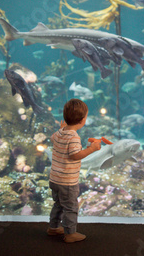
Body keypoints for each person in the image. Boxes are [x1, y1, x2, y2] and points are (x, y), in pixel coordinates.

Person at [46, 98, 101, 243]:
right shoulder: (74, 137)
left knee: (58, 204)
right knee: (70, 207)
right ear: (83, 120)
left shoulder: (61, 132)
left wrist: (61, 128)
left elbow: (53, 139)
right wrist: (91, 149)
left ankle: (53, 227)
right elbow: (75, 155)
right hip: (67, 181)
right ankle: (70, 234)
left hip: (54, 179)